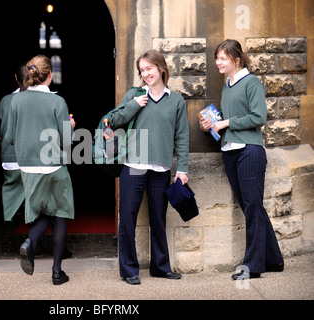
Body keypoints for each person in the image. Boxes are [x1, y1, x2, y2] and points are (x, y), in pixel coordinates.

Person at [199, 39, 284, 280]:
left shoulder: (252, 83)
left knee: (252, 206)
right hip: (230, 151)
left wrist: (225, 122)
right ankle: (274, 260)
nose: (218, 62)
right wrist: (212, 123)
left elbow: (258, 117)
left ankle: (252, 266)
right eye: (217, 58)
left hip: (250, 150)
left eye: (223, 58)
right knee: (251, 206)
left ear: (237, 59)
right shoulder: (228, 84)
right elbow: (232, 116)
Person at [110, 50, 189, 285]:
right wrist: (134, 105)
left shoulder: (176, 101)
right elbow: (114, 120)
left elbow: (182, 137)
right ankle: (129, 270)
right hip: (133, 166)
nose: (145, 74)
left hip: (161, 169)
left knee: (158, 218)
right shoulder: (134, 95)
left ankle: (160, 267)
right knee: (128, 219)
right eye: (142, 71)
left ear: (161, 69)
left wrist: (182, 169)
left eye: (149, 69)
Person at [6, 55, 75, 285]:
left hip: (27, 167)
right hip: (53, 166)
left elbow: (9, 137)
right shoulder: (58, 102)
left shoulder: (16, 101)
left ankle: (30, 243)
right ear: (50, 76)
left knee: (43, 213)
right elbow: (67, 141)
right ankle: (57, 272)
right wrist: (71, 126)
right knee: (60, 214)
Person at [0, 65, 27, 222]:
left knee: (13, 186)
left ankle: (12, 214)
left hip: (9, 157)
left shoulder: (5, 101)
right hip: (32, 158)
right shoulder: (38, 101)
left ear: (15, 78)